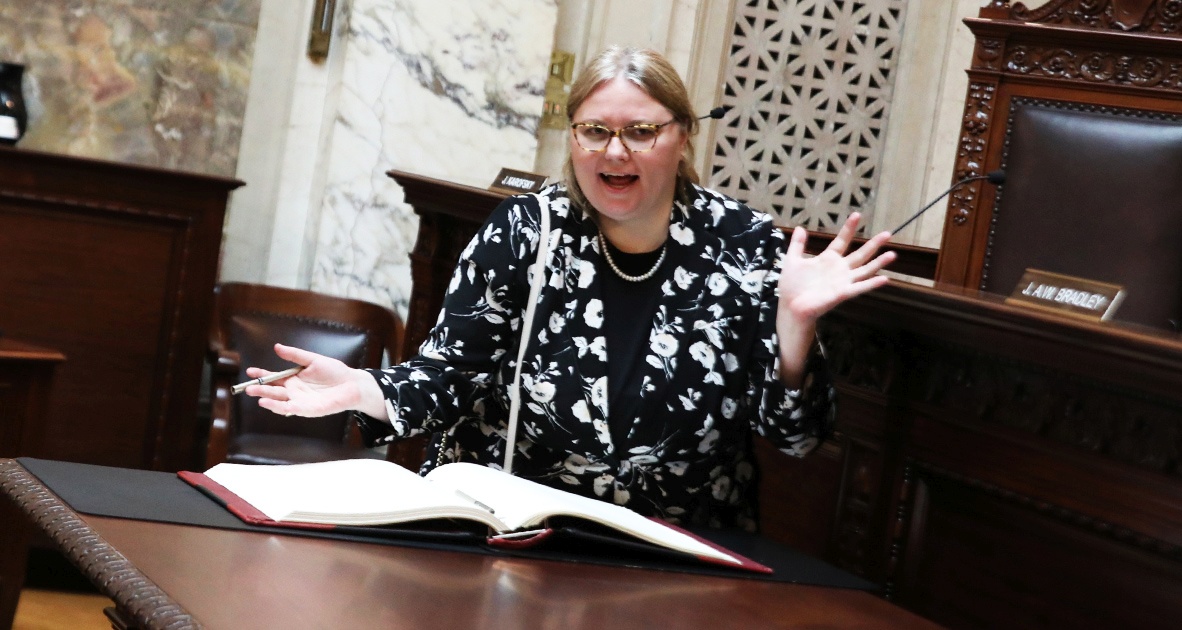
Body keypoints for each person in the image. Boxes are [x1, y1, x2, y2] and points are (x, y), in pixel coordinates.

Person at [245, 46, 895, 531]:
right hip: (522, 536)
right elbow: (453, 372)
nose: (616, 153)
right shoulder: (528, 230)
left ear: (683, 134)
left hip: (675, 552)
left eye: (641, 132)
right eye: (595, 131)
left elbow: (797, 438)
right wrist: (363, 388)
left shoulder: (744, 244)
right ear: (573, 132)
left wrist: (795, 327)